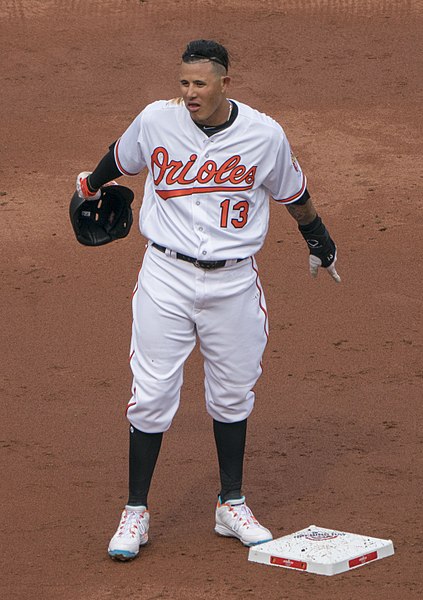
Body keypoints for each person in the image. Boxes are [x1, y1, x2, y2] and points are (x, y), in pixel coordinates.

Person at [75, 39, 340, 561]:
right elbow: (119, 157)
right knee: (151, 395)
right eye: (184, 83)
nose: (189, 93)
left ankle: (231, 503)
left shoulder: (265, 135)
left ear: (225, 83)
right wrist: (89, 185)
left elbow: (294, 194)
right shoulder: (157, 120)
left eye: (200, 84)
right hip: (166, 276)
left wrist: (320, 240)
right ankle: (135, 512)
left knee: (233, 394)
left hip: (234, 283)